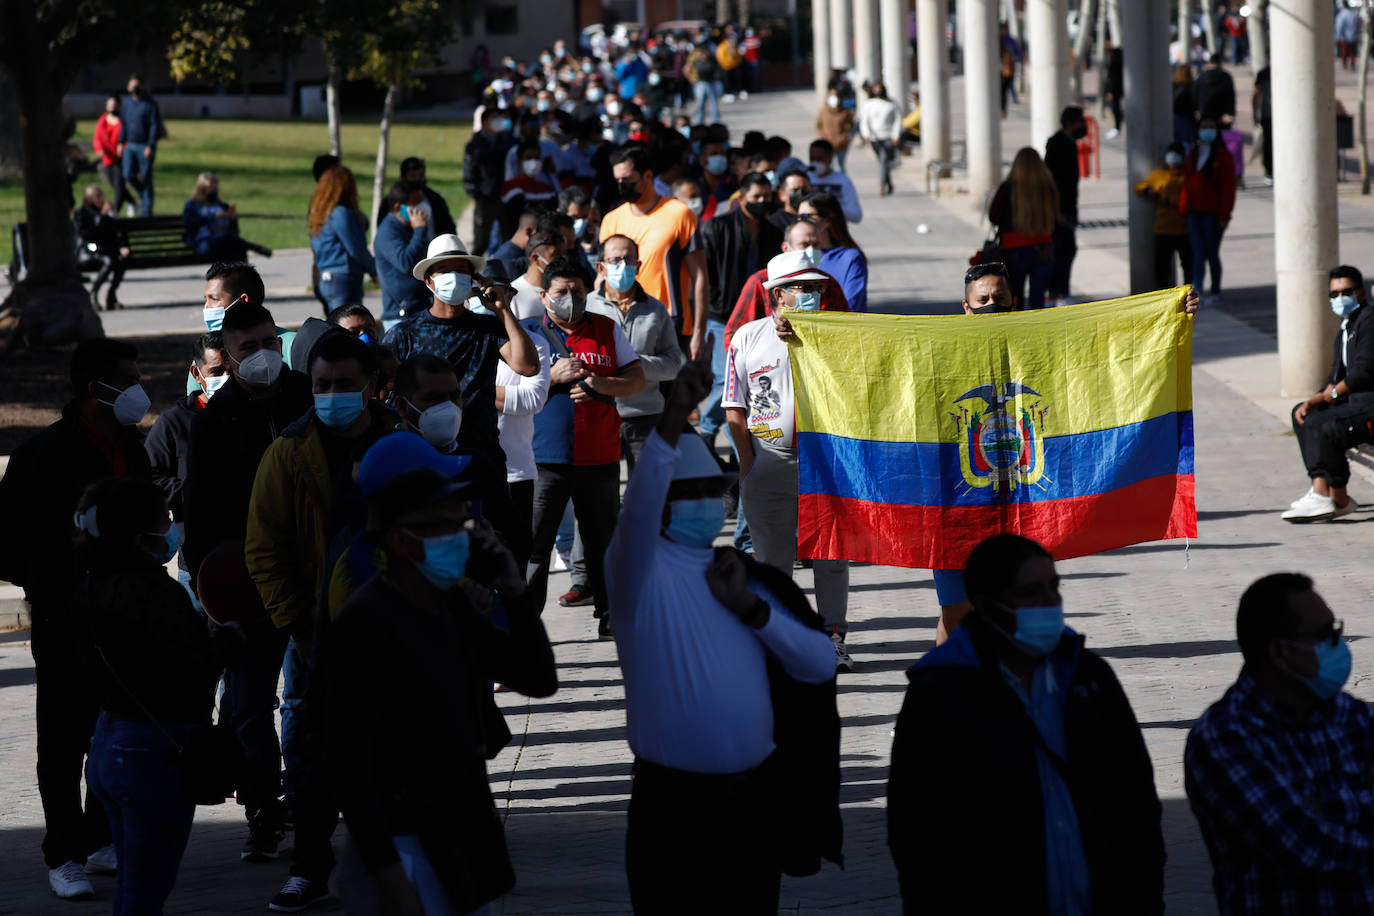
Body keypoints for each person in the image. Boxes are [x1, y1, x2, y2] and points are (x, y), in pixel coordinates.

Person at [608, 357, 838, 914]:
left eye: (714, 488)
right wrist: (674, 416)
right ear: (664, 502)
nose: (709, 500)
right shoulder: (638, 575)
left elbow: (818, 664)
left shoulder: (746, 579)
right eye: (693, 490)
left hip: (753, 805)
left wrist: (753, 611)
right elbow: (639, 503)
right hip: (672, 808)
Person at [888, 534, 1165, 913]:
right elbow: (916, 826)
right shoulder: (939, 693)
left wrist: (1143, 896)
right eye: (1031, 592)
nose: (1050, 603)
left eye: (1054, 587)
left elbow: (1136, 798)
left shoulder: (1089, 677)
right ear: (986, 605)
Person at [326, 461, 556, 916]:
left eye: (462, 524)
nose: (460, 537)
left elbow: (537, 679)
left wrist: (514, 593)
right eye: (445, 527)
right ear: (401, 540)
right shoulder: (366, 622)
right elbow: (348, 763)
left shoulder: (453, 606)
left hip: (461, 840)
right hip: (405, 845)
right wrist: (390, 874)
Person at [245, 332, 395, 912]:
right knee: (313, 760)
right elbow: (265, 548)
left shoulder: (399, 444)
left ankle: (390, 865)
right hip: (318, 633)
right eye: (321, 385)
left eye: (344, 385)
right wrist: (300, 628)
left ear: (371, 386)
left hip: (390, 631)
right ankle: (309, 866)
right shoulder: (288, 451)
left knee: (393, 753)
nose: (332, 395)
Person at [0, 339, 153, 899]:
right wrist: (54, 582)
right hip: (66, 618)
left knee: (115, 732)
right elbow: (7, 545)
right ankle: (63, 853)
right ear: (96, 391)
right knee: (63, 740)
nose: (139, 392)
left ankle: (99, 836)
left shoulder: (134, 449)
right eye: (129, 381)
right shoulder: (41, 456)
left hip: (127, 616)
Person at [182, 301, 314, 863]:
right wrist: (213, 594)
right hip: (246, 584)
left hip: (313, 575)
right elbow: (200, 513)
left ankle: (313, 800)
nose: (262, 355)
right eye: (248, 348)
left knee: (310, 698)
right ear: (229, 357)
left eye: (269, 343)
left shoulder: (310, 396)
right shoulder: (213, 421)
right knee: (251, 706)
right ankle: (263, 808)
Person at [76, 477, 240, 914]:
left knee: (132, 885)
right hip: (151, 754)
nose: (171, 528)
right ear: (138, 535)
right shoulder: (156, 592)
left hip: (108, 744)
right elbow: (194, 671)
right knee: (144, 893)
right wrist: (227, 641)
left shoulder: (92, 583)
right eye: (164, 520)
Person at [1185, 572, 1374, 912]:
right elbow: (1307, 846)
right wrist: (1357, 801)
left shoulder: (1350, 714)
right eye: (1324, 634)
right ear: (1281, 652)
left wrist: (1324, 808)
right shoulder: (1225, 737)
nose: (1338, 643)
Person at [726, 249, 856, 671]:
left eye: (816, 286)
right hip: (769, 461)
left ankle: (833, 638)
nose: (812, 293)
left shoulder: (838, 334)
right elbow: (734, 406)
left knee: (832, 557)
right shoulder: (748, 337)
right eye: (802, 287)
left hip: (827, 463)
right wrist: (748, 463)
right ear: (778, 294)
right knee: (773, 563)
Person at [383, 233, 540, 554]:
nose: (454, 277)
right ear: (429, 281)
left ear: (474, 279)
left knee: (506, 548)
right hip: (425, 461)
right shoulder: (404, 334)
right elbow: (383, 395)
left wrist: (502, 309)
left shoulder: (487, 328)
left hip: (482, 459)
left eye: (461, 270)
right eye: (445, 271)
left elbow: (527, 365)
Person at [527, 255, 645, 638]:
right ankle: (525, 626)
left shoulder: (607, 329)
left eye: (577, 290)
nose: (571, 297)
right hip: (545, 458)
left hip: (599, 456)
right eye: (562, 291)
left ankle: (611, 617)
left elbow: (636, 379)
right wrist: (551, 377)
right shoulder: (528, 333)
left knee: (603, 543)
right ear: (544, 296)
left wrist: (601, 384)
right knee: (535, 545)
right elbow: (505, 390)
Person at [1279, 266, 1374, 523]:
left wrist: (1326, 396)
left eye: (1346, 292)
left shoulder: (1369, 320)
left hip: (1368, 406)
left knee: (1324, 424)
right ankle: (1323, 490)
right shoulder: (1346, 327)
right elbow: (1334, 376)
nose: (1340, 298)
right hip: (1354, 404)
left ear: (1361, 292)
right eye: (1334, 294)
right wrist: (1315, 400)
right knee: (1303, 414)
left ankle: (1335, 497)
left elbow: (1363, 372)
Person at [601, 147, 710, 359]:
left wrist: (699, 332)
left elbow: (700, 276)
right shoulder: (611, 220)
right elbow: (603, 276)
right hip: (622, 322)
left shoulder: (679, 214)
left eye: (627, 179)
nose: (622, 185)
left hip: (670, 323)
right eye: (618, 180)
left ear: (647, 176)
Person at [698, 172, 782, 446]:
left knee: (750, 380)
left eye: (766, 196)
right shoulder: (716, 227)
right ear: (742, 197)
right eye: (756, 196)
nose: (762, 201)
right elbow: (704, 274)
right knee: (726, 379)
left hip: (756, 317)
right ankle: (709, 428)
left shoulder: (772, 231)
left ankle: (728, 432)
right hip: (722, 316)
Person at [586, 233, 685, 466]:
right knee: (603, 487)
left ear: (638, 266)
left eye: (629, 260)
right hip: (598, 414)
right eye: (615, 260)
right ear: (601, 267)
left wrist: (634, 364)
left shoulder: (656, 309)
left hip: (645, 416)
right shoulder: (587, 307)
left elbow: (673, 364)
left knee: (645, 485)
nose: (623, 266)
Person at [147, 332, 229, 597]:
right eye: (217, 371)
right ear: (197, 373)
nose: (226, 378)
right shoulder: (173, 423)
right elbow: (150, 477)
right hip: (196, 561)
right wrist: (193, 491)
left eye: (231, 370)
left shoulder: (253, 415)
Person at [724, 218, 849, 352]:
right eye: (805, 245)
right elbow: (734, 337)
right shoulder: (759, 282)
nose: (811, 251)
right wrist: (770, 337)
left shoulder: (829, 282)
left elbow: (847, 329)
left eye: (816, 245)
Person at [988, 148, 1058, 311]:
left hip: (1013, 248)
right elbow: (1056, 217)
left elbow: (994, 217)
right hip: (1044, 246)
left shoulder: (1007, 188)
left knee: (1015, 297)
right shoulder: (1047, 187)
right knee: (1038, 299)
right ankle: (1038, 326)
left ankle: (1019, 326)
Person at [1181, 117, 1235, 306]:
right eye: (1204, 127)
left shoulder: (1223, 156)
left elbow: (1228, 188)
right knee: (1197, 254)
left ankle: (1215, 291)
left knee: (1211, 253)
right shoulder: (1194, 153)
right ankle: (1197, 291)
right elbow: (1187, 182)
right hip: (1194, 212)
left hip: (1213, 214)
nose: (1208, 131)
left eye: (1211, 127)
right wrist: (1183, 208)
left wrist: (1224, 215)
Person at [309, 165, 376, 311]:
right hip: (343, 278)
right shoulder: (340, 213)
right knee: (346, 322)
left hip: (327, 277)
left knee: (336, 320)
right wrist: (374, 269)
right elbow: (356, 249)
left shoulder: (320, 215)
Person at [373, 182, 432, 330]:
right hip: (400, 316)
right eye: (416, 204)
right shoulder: (388, 231)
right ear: (399, 207)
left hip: (420, 308)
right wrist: (419, 230)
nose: (421, 207)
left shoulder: (409, 227)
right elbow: (405, 262)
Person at [1133, 143, 1192, 289]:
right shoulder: (1160, 175)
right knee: (1162, 268)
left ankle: (1188, 293)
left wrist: (1168, 201)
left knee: (1188, 265)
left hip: (1183, 228)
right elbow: (1139, 188)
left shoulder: (1188, 176)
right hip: (1163, 229)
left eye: (1176, 154)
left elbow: (1190, 199)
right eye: (1171, 154)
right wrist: (1148, 191)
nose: (1173, 158)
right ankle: (1162, 294)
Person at [1044, 106, 1087, 305]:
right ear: (1070, 123)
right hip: (1059, 211)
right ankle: (1058, 293)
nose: (1084, 125)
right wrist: (1056, 211)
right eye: (1081, 121)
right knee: (1063, 250)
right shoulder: (1057, 143)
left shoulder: (1068, 143)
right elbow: (1053, 182)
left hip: (1066, 209)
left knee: (1066, 250)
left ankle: (1058, 292)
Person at [798, 192, 868, 312]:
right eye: (798, 217)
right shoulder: (796, 255)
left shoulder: (850, 258)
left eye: (806, 217)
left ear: (826, 221)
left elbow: (851, 306)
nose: (801, 222)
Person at [463, 108, 517, 256]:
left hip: (505, 196)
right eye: (494, 118)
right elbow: (469, 171)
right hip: (485, 198)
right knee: (481, 241)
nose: (498, 122)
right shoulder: (475, 145)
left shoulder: (507, 142)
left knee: (508, 237)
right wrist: (476, 192)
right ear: (484, 122)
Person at [73, 184, 130, 311]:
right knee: (109, 260)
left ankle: (111, 296)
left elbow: (116, 233)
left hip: (104, 250)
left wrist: (122, 247)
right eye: (97, 196)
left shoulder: (105, 213)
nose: (101, 199)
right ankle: (93, 293)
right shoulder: (81, 213)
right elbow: (85, 236)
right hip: (87, 249)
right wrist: (101, 217)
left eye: (101, 195)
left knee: (121, 259)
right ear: (89, 198)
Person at [119, 74, 161, 216]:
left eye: (137, 86)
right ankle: (144, 197)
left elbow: (154, 126)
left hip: (144, 146)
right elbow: (124, 125)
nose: (135, 88)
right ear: (128, 87)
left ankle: (147, 211)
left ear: (142, 87)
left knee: (146, 176)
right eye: (132, 86)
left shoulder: (150, 104)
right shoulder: (126, 104)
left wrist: (151, 145)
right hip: (130, 145)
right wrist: (120, 142)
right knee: (128, 174)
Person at [182, 171, 247, 262]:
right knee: (234, 243)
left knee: (237, 245)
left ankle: (242, 270)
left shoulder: (222, 206)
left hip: (225, 240)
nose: (215, 191)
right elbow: (190, 223)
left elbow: (235, 230)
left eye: (216, 188)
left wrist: (232, 219)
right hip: (204, 242)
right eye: (211, 188)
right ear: (202, 188)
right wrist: (213, 217)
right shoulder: (192, 205)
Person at [858, 82, 902, 197]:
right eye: (876, 88)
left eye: (880, 88)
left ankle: (882, 185)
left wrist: (896, 135)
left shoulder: (892, 103)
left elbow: (897, 120)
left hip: (888, 137)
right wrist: (866, 134)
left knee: (884, 160)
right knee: (883, 162)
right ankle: (889, 183)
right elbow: (864, 120)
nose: (878, 91)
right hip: (874, 138)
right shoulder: (869, 104)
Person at [806, 140, 863, 225]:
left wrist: (833, 209)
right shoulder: (805, 179)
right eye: (812, 159)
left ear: (830, 158)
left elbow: (856, 215)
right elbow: (797, 213)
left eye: (819, 159)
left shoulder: (843, 180)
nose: (815, 163)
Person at [511, 231, 564, 319]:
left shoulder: (566, 291)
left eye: (562, 255)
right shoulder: (512, 294)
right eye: (555, 255)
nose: (561, 261)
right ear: (535, 258)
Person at [398, 156, 456, 237]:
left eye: (421, 175)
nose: (418, 179)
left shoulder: (436, 200)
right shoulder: (393, 202)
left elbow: (449, 229)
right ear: (403, 178)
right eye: (413, 176)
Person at [92, 94, 126, 213]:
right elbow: (97, 138)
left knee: (118, 186)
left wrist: (123, 148)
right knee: (115, 185)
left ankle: (114, 212)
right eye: (110, 104)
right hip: (106, 158)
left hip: (119, 158)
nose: (112, 107)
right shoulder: (102, 120)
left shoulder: (123, 121)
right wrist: (99, 150)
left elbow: (127, 137)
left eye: (114, 105)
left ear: (119, 106)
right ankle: (133, 202)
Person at [815, 93, 857, 175]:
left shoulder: (845, 112)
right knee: (828, 165)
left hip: (841, 144)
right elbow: (818, 125)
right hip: (827, 143)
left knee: (841, 166)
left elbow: (852, 126)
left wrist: (845, 137)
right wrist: (824, 137)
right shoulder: (824, 111)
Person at [1194, 54, 1236, 124]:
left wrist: (1197, 110)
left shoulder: (1201, 77)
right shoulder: (1226, 77)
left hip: (1204, 112)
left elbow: (1195, 94)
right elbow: (1231, 96)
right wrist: (1230, 113)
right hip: (1222, 114)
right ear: (1220, 63)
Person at [1252, 64, 1273, 184]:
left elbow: (1256, 94)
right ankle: (1270, 170)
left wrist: (1255, 113)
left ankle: (1269, 171)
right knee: (1269, 143)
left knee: (1268, 143)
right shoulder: (1263, 73)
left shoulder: (1262, 73)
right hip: (1272, 115)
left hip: (1267, 114)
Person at [1103, 44, 1125, 139]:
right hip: (1118, 90)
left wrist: (1110, 91)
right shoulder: (1120, 64)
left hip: (1115, 91)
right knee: (1116, 109)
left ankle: (1117, 127)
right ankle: (1117, 127)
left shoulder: (1114, 64)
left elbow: (1112, 79)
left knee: (1116, 109)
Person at [1336, 4, 1361, 71]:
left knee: (1344, 52)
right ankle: (1352, 64)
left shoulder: (1342, 14)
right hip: (1353, 36)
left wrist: (1338, 36)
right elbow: (1358, 25)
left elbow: (1339, 26)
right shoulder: (1354, 14)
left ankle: (1345, 65)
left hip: (1344, 37)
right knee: (1352, 52)